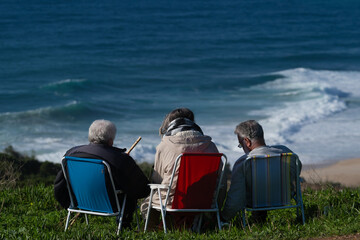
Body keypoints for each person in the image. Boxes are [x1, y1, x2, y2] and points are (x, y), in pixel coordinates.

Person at [54, 119, 150, 229]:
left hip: (79, 201)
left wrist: (68, 203)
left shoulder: (71, 153)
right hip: (111, 204)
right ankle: (124, 226)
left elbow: (59, 186)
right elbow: (142, 188)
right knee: (127, 189)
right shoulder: (120, 159)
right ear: (110, 141)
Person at [140, 108, 225, 230]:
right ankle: (198, 225)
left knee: (148, 201)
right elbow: (218, 177)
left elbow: (156, 179)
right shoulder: (210, 145)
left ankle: (150, 231)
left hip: (174, 200)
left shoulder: (164, 146)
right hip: (205, 201)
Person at [221, 120, 302, 223]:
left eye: (241, 145)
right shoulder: (286, 152)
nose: (242, 148)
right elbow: (297, 170)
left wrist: (224, 218)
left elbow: (236, 198)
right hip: (285, 198)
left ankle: (257, 219)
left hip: (255, 202)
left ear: (247, 141)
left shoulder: (244, 162)